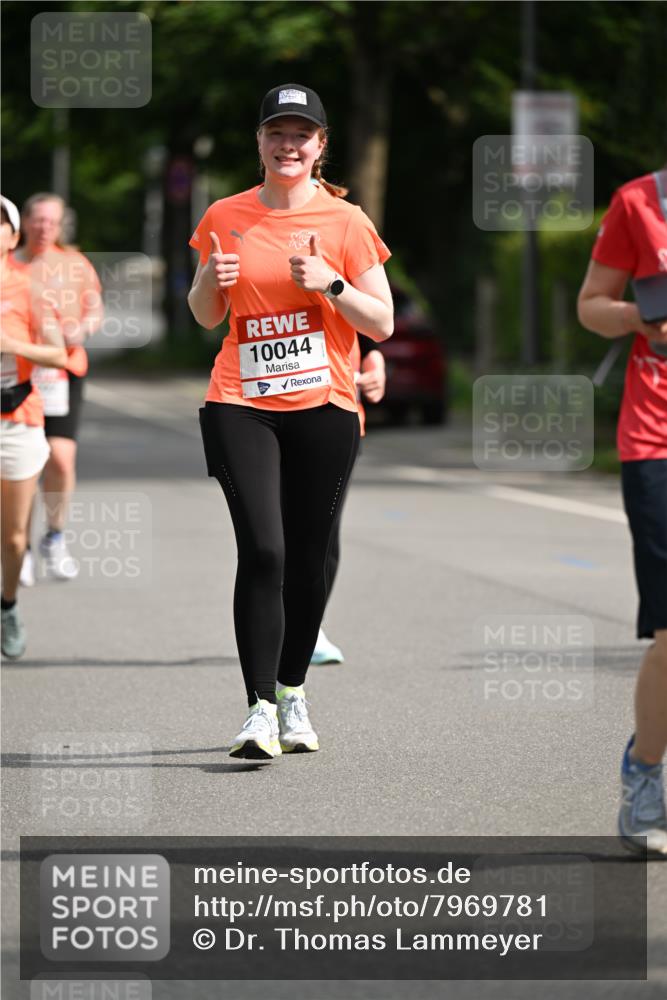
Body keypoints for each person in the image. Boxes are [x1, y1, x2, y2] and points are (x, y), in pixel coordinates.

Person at [188, 83, 393, 759]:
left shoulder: (346, 222)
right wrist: (209, 281)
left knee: (308, 558)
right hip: (240, 398)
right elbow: (205, 315)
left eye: (300, 134)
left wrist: (330, 283)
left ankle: (291, 691)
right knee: (265, 550)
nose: (287, 144)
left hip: (325, 403)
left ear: (320, 146)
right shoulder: (224, 214)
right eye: (276, 131)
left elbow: (382, 321)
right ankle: (256, 710)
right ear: (259, 140)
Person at [577, 166, 667, 855]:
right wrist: (643, 315)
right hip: (656, 439)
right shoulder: (641, 202)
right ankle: (643, 774)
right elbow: (591, 306)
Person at [14, 193, 103, 584]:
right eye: (38, 220)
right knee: (21, 465)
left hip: (64, 373)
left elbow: (95, 309)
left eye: (52, 221)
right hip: (18, 375)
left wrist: (81, 328)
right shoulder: (10, 263)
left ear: (61, 225)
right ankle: (20, 545)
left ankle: (54, 535)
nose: (44, 228)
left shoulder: (75, 264)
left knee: (61, 459)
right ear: (25, 222)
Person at [1, 195, 67, 658]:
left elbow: (58, 353)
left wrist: (9, 342)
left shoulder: (30, 288)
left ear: (13, 236)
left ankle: (7, 605)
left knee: (13, 535)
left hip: (15, 419)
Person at [312, 333, 387, 664]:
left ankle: (308, 628)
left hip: (339, 415)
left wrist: (375, 363)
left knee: (324, 532)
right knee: (276, 535)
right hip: (268, 417)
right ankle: (272, 622)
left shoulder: (346, 279)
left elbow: (371, 329)